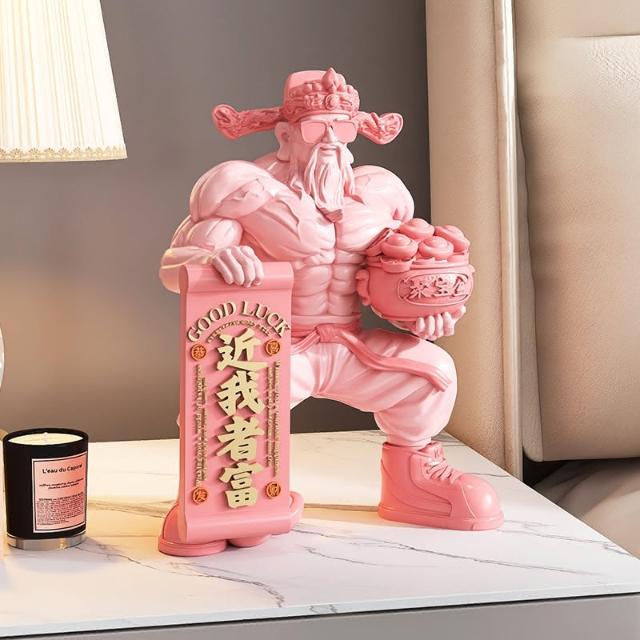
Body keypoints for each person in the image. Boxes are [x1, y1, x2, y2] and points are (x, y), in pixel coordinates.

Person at [160, 68, 503, 530]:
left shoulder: (379, 194)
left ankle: (412, 481)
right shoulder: (244, 190)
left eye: (341, 128)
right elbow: (172, 268)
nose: (330, 141)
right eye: (315, 129)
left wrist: (422, 314)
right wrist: (214, 258)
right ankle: (230, 499)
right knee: (225, 393)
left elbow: (396, 273)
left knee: (432, 374)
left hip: (349, 343)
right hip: (277, 346)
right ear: (286, 135)